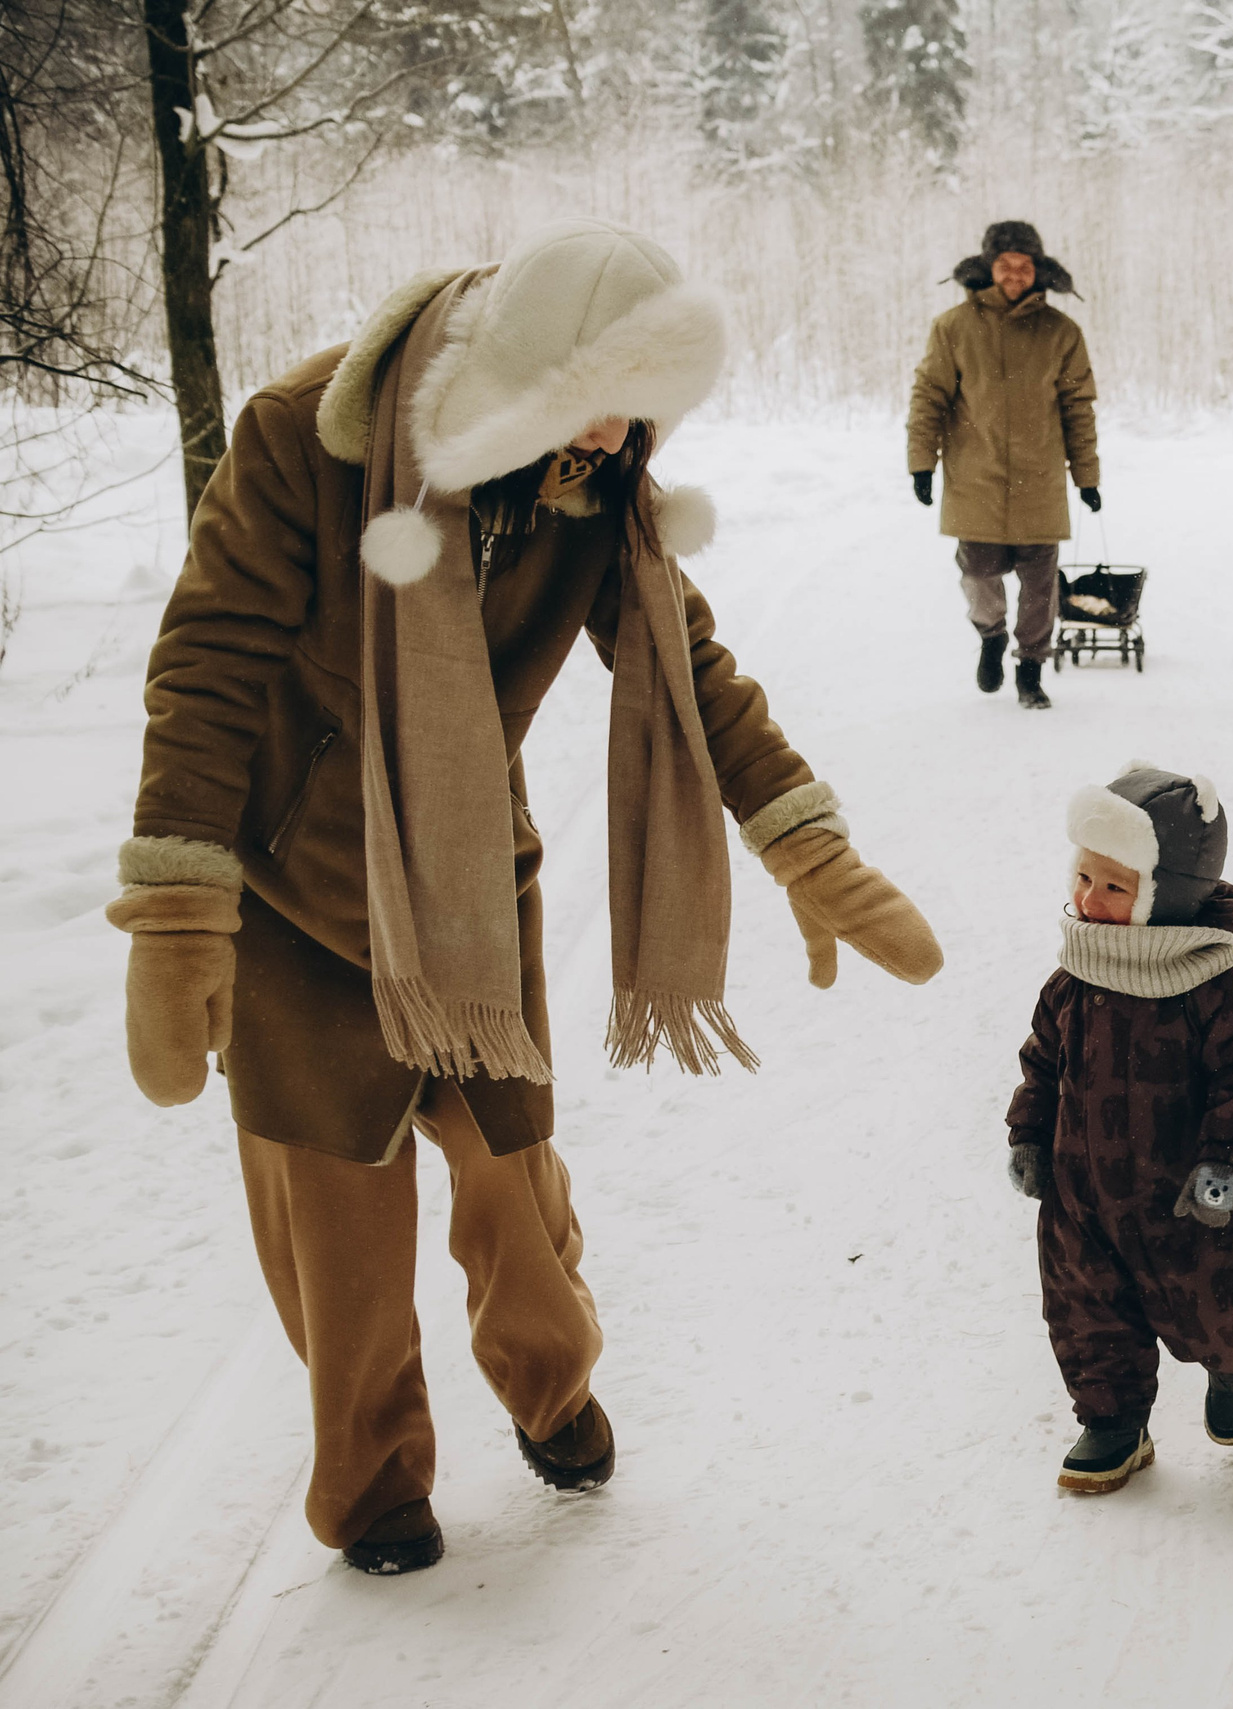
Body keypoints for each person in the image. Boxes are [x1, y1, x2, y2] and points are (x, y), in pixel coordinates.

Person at [107, 217, 944, 1576]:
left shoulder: (593, 482)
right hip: (296, 895)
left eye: (642, 412)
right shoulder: (302, 441)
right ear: (523, 370)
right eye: (601, 403)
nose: (616, 441)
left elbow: (689, 666)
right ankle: (371, 1480)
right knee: (339, 1223)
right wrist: (178, 910)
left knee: (514, 1175)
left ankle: (550, 1385)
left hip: (470, 889)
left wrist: (807, 845)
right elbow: (206, 664)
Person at [1004, 764, 1233, 1493]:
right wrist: (1029, 1134)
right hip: (1080, 1197)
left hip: (1184, 1201)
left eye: (1114, 886)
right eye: (1084, 877)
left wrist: (1226, 1159)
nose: (1088, 899)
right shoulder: (1073, 979)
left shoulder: (1212, 990)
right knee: (1085, 1313)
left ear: (1167, 897)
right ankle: (1113, 1422)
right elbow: (1042, 1062)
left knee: (1218, 1310)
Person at [906, 220, 1101, 711]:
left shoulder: (1062, 333)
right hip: (976, 479)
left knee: (1040, 588)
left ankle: (1031, 669)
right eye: (1005, 265)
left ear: (1038, 271)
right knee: (977, 576)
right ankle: (991, 634)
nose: (1015, 274)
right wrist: (921, 464)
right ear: (989, 268)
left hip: (1040, 482)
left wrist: (1087, 478)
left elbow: (1078, 409)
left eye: (1024, 266)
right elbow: (929, 397)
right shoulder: (953, 327)